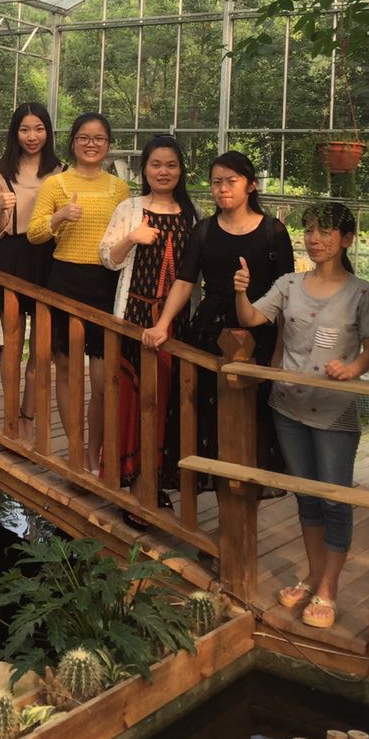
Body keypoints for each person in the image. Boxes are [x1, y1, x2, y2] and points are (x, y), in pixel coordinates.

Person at [233, 201, 369, 630]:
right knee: (306, 496)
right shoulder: (289, 284)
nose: (315, 239)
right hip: (287, 406)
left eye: (326, 231)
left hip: (334, 412)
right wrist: (241, 291)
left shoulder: (363, 292)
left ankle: (328, 589)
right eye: (310, 230)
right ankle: (314, 576)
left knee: (335, 499)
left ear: (347, 239)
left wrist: (352, 369)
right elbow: (252, 317)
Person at [142, 150, 294, 491]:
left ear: (250, 185)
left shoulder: (273, 231)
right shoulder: (205, 230)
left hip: (260, 328)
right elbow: (185, 281)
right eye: (216, 182)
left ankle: (251, 482)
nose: (222, 189)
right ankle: (207, 477)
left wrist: (281, 348)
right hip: (210, 326)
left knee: (253, 406)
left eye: (231, 181)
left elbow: (287, 293)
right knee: (204, 402)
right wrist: (163, 323)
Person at [99, 135, 199, 502]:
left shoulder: (192, 215)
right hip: (135, 316)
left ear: (181, 170)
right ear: (145, 169)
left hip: (176, 321)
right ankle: (131, 481)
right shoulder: (129, 208)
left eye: (171, 165)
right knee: (134, 399)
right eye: (156, 164)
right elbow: (108, 258)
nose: (163, 171)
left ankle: (155, 482)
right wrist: (132, 238)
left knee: (168, 401)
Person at [27, 112, 129, 468]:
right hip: (65, 280)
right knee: (68, 369)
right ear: (73, 142)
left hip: (105, 283)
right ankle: (74, 448)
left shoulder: (118, 188)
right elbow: (34, 233)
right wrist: (59, 216)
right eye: (84, 137)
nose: (91, 144)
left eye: (99, 138)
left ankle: (93, 452)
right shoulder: (55, 184)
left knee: (102, 379)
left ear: (108, 144)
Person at [0, 101, 62, 441]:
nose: (32, 136)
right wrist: (1, 208)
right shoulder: (2, 172)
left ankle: (28, 414)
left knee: (41, 344)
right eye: (25, 129)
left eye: (39, 129)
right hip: (13, 255)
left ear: (48, 132)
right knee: (12, 339)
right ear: (15, 133)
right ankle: (10, 415)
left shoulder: (60, 172)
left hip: (48, 257)